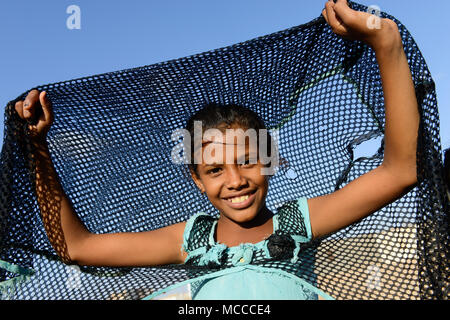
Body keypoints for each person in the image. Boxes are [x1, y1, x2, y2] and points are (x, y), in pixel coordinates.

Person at [13, 0, 419, 299]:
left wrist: (386, 45)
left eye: (247, 162)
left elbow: (400, 170)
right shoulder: (192, 239)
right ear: (196, 179)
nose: (236, 181)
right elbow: (78, 248)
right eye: (214, 170)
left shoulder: (298, 223)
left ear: (270, 160)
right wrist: (39, 151)